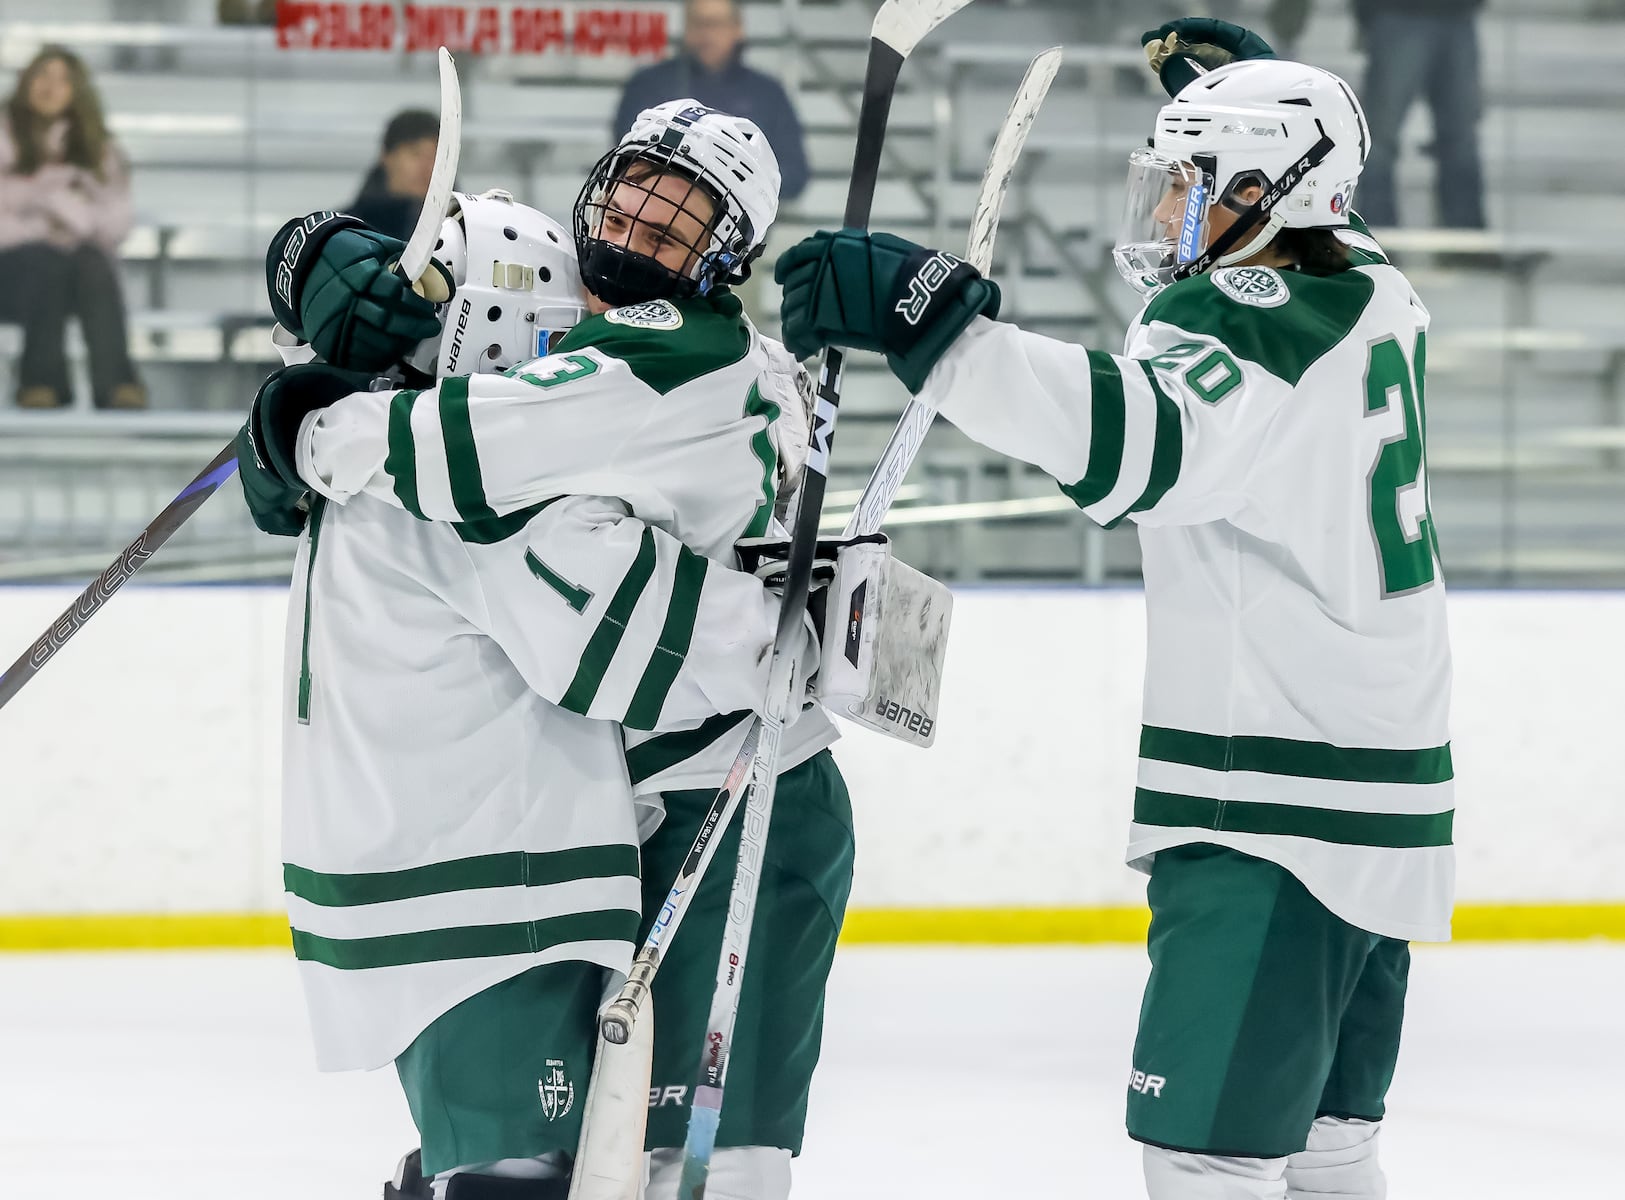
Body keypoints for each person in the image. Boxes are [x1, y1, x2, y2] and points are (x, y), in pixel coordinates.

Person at [776, 22, 1452, 1200]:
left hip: (1269, 809)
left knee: (1206, 1160)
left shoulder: (1242, 314)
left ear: (1267, 191)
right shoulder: (1373, 293)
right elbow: (1313, 226)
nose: (1162, 215)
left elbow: (1143, 444)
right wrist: (1251, 111)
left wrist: (937, 332)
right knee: (1327, 1151)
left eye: (1193, 183)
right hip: (1378, 792)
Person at [240, 102, 858, 1200]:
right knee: (619, 1166)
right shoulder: (646, 361)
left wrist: (309, 423)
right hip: (643, 812)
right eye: (628, 188)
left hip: (739, 801)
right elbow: (479, 350)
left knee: (711, 1172)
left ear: (729, 253)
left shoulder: (664, 357)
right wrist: (308, 263)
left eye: (677, 214)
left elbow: (468, 449)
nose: (637, 218)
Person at [0, 45, 143, 410]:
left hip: (73, 272)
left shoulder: (101, 150)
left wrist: (74, 214)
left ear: (76, 91)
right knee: (50, 258)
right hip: (11, 273)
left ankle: (116, 387)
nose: (51, 86)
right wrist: (48, 207)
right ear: (26, 82)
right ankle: (41, 383)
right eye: (42, 75)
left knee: (91, 262)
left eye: (62, 79)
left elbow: (117, 224)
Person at [614, 0, 808, 203]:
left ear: (738, 28)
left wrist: (737, 185)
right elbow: (628, 154)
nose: (707, 33)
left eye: (715, 23)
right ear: (686, 27)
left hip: (740, 228)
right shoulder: (649, 85)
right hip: (655, 215)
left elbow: (794, 174)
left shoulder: (768, 94)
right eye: (699, 22)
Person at [1352, 0, 1486, 230]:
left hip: (1455, 14)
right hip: (1399, 14)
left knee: (1460, 138)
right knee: (1381, 138)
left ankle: (1467, 237)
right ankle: (1376, 237)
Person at [346, 108, 439, 241]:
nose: (428, 167)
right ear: (386, 156)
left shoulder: (463, 234)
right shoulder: (348, 232)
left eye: (436, 156)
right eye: (415, 153)